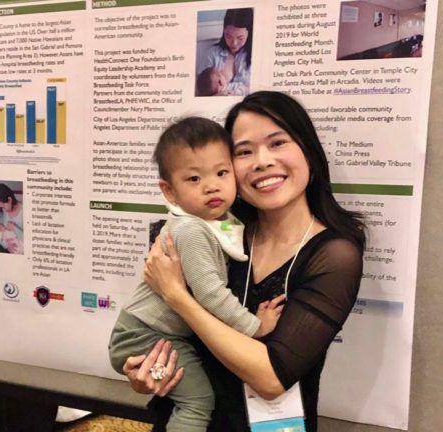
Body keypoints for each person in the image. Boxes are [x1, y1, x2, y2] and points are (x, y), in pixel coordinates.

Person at [121, 91, 366, 431]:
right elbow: (169, 333)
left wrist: (177, 296)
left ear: (308, 150)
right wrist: (151, 372)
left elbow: (271, 379)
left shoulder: (334, 255)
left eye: (277, 143)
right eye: (244, 151)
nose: (262, 161)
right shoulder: (221, 233)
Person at [108, 117, 285, 432]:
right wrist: (254, 327)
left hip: (153, 332)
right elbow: (209, 293)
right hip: (145, 334)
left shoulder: (220, 223)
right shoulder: (191, 230)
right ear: (169, 191)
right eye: (194, 178)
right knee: (197, 402)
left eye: (221, 173)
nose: (211, 185)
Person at [199, 8, 253, 96]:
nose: (234, 43)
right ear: (224, 30)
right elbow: (202, 93)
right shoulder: (211, 55)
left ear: (249, 33)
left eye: (240, 38)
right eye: (228, 36)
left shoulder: (255, 55)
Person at [0, 183, 23, 250]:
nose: (3, 210)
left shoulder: (24, 211)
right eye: (0, 207)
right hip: (9, 248)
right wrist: (7, 245)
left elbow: (32, 238)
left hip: (22, 246)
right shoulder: (2, 214)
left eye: (3, 206)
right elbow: (1, 235)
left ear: (9, 200)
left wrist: (15, 228)